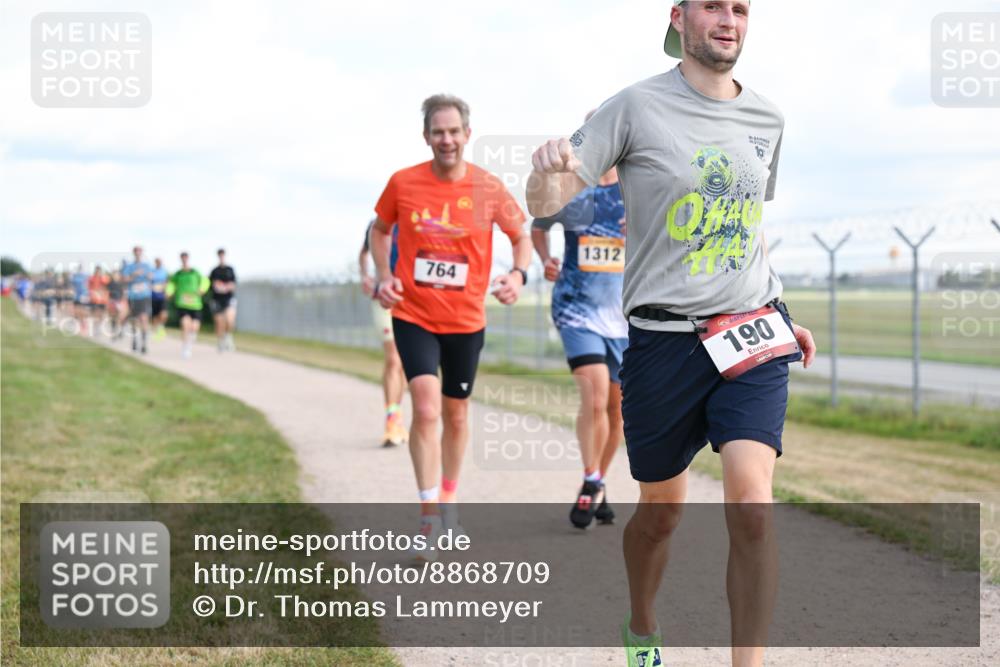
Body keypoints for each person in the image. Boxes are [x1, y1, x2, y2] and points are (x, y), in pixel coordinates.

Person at [526, 3, 817, 665]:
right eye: (714, 5)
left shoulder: (767, 118)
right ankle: (642, 626)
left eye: (741, 8)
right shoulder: (633, 108)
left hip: (749, 331)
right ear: (680, 17)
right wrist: (545, 171)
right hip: (660, 343)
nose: (729, 19)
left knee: (752, 502)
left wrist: (778, 312)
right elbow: (546, 203)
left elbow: (745, 229)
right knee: (660, 514)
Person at [371, 94, 531, 557]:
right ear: (426, 137)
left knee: (456, 413)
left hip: (465, 319)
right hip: (413, 312)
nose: (446, 139)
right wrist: (384, 276)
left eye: (454, 131)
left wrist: (517, 275)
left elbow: (520, 236)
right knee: (424, 409)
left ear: (467, 134)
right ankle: (426, 514)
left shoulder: (488, 188)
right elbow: (379, 230)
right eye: (438, 131)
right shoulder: (403, 183)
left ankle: (448, 497)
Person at [531, 125, 627, 529]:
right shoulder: (573, 188)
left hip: (624, 316)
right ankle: (591, 479)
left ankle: (599, 483)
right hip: (576, 309)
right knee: (594, 394)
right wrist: (545, 259)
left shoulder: (639, 189)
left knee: (618, 411)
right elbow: (538, 223)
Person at [360, 218, 408, 448]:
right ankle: (391, 420)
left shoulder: (416, 219)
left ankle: (396, 417)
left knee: (405, 364)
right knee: (393, 358)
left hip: (409, 300)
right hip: (383, 299)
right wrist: (365, 276)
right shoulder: (378, 224)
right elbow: (363, 252)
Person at [167, 252, 210, 359]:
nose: (184, 260)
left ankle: (190, 341)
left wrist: (202, 289)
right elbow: (171, 284)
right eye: (182, 258)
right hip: (182, 303)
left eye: (186, 258)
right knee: (185, 324)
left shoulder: (195, 272)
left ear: (188, 259)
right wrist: (169, 291)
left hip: (195, 305)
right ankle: (185, 347)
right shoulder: (178, 274)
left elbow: (205, 281)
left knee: (194, 327)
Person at [122, 246, 154, 354]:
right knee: (134, 320)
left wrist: (146, 275)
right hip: (133, 296)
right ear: (133, 253)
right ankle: (135, 340)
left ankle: (144, 343)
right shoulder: (129, 267)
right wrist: (135, 274)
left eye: (139, 251)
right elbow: (125, 279)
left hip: (144, 295)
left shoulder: (147, 266)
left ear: (142, 253)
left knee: (144, 318)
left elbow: (151, 277)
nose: (138, 253)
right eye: (136, 251)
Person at [209, 248, 237, 352]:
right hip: (217, 300)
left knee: (230, 320)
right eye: (220, 255)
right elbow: (211, 285)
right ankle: (220, 341)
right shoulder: (214, 271)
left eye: (223, 255)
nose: (221, 257)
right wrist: (217, 287)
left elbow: (233, 284)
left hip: (229, 299)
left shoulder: (230, 269)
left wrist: (226, 287)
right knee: (219, 323)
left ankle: (228, 337)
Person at [150, 257, 170, 340]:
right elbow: (148, 282)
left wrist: (166, 291)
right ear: (155, 262)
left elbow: (167, 282)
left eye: (160, 261)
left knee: (164, 314)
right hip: (153, 296)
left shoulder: (164, 272)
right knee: (155, 316)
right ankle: (156, 334)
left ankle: (161, 328)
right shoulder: (152, 272)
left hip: (162, 296)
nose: (158, 263)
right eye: (157, 261)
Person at [87, 266, 110, 336]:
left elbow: (107, 285)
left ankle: (99, 327)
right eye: (97, 271)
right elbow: (89, 287)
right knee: (95, 313)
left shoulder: (104, 278)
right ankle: (94, 328)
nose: (98, 273)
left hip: (102, 299)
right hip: (94, 299)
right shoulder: (91, 278)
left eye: (99, 271)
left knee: (102, 314)